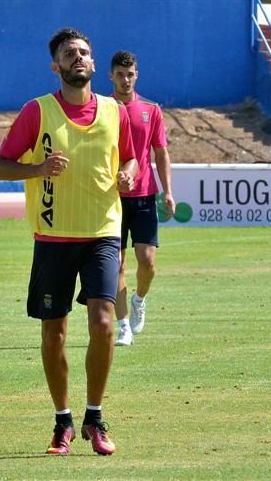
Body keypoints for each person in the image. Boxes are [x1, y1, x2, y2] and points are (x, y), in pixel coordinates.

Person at [0, 28, 138, 456]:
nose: (79, 58)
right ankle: (62, 421)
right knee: (53, 332)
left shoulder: (115, 111)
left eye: (85, 53)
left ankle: (95, 416)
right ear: (55, 66)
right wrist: (38, 168)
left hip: (103, 234)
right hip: (53, 236)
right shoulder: (36, 112)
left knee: (104, 323)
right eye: (69, 53)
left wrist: (128, 171)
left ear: (94, 65)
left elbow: (129, 155)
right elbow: (0, 167)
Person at [108, 50, 176, 347]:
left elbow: (160, 153)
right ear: (111, 76)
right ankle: (123, 326)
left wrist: (169, 192)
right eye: (120, 74)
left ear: (137, 75)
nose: (125, 79)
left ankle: (139, 299)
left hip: (145, 196)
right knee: (116, 265)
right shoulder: (102, 109)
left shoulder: (151, 110)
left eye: (130, 74)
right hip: (111, 198)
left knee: (147, 262)